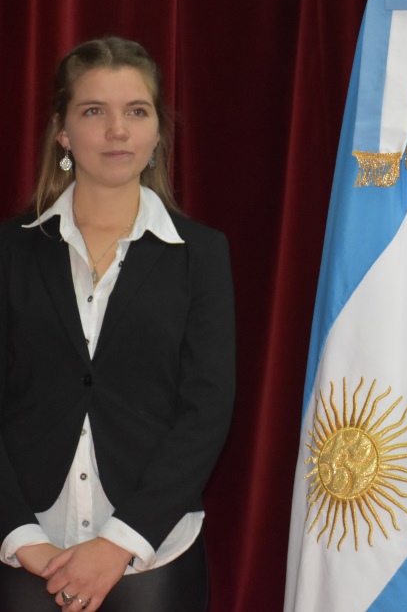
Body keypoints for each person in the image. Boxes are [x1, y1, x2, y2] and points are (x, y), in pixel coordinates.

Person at [0, 37, 235, 611]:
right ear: (62, 131)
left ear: (157, 133)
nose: (117, 130)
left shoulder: (199, 254)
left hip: (153, 551)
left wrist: (117, 543)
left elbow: (207, 410)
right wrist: (19, 534)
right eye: (93, 111)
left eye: (136, 111)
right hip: (28, 548)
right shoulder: (9, 250)